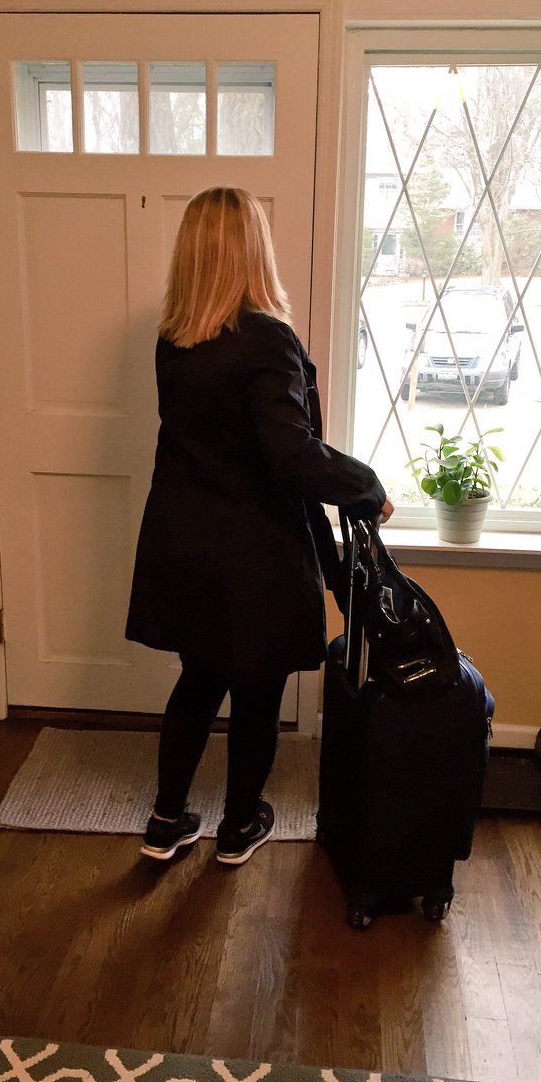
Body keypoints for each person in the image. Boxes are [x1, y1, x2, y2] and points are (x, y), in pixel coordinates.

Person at [126, 186, 392, 867]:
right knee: (256, 691)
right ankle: (239, 827)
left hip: (184, 543)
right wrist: (366, 486)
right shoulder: (266, 339)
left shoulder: (175, 340)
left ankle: (164, 822)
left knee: (197, 680)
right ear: (254, 251)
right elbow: (291, 454)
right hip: (251, 551)